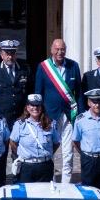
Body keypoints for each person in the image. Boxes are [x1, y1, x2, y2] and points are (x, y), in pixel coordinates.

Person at [35, 38, 81, 178]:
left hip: (69, 114)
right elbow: (38, 93)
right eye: (57, 49)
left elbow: (78, 92)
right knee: (49, 150)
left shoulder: (73, 66)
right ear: (51, 50)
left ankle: (66, 182)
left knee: (68, 152)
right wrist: (39, 115)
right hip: (50, 115)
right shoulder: (43, 67)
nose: (60, 52)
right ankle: (51, 180)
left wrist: (80, 114)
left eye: (62, 49)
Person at [9, 94, 57, 183]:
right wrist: (23, 154)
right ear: (27, 107)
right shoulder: (20, 124)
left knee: (44, 191)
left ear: (42, 107)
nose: (35, 108)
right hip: (26, 167)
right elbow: (13, 142)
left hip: (45, 166)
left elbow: (56, 143)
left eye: (38, 105)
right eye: (32, 105)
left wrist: (46, 153)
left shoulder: (50, 123)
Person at [0, 38, 31, 124]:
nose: (10, 57)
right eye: (7, 54)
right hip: (1, 117)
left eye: (12, 53)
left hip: (21, 116)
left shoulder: (25, 70)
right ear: (2, 55)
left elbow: (30, 91)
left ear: (16, 54)